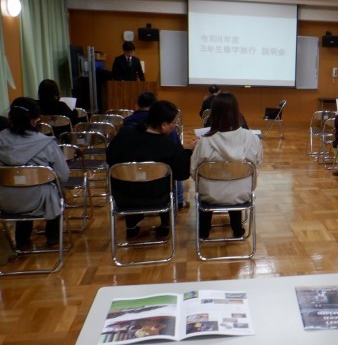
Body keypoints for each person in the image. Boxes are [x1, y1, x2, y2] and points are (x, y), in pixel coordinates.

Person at [106, 100, 197, 239]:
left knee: (133, 181)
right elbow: (181, 174)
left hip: (124, 197)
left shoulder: (125, 135)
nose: (175, 125)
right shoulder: (168, 145)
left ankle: (131, 228)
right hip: (157, 197)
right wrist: (187, 151)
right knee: (166, 184)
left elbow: (110, 158)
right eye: (174, 122)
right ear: (164, 125)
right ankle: (165, 227)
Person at [190, 92, 263, 239]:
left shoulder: (204, 142)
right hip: (241, 193)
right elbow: (257, 164)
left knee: (210, 188)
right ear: (238, 113)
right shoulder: (252, 138)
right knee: (234, 185)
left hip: (210, 194)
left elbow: (194, 171)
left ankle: (204, 231)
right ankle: (237, 229)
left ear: (213, 114)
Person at [0, 97, 69, 249]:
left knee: (20, 187)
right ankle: (53, 239)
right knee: (53, 189)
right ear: (34, 120)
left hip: (5, 201)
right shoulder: (46, 143)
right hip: (39, 201)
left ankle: (22, 241)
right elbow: (63, 175)